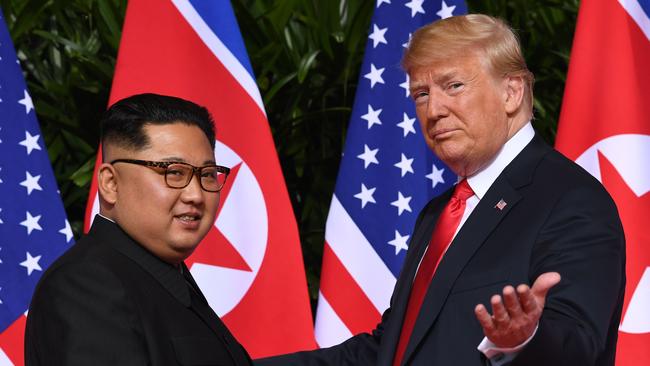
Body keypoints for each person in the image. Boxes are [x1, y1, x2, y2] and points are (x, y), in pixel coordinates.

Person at [256, 14, 625, 366]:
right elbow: (391, 352)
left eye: (454, 86)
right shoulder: (439, 213)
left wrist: (522, 340)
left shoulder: (570, 199)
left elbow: (579, 348)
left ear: (511, 92)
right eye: (420, 94)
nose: (433, 110)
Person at [25, 93, 252, 366]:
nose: (196, 194)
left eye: (206, 175)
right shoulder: (86, 284)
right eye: (174, 172)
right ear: (110, 183)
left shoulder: (161, 273)